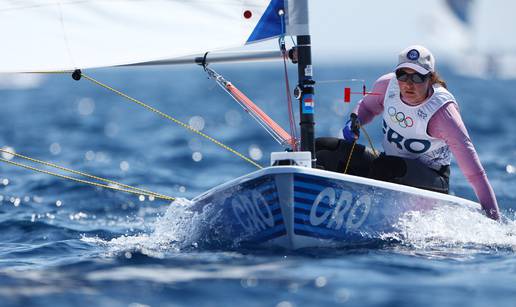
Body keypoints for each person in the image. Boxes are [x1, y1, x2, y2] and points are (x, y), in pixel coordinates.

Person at [315, 45, 500, 221]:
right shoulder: (387, 86)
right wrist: (355, 120)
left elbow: (475, 174)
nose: (408, 84)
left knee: (385, 167)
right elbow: (367, 107)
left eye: (417, 77)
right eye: (402, 75)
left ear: (430, 78)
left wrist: (494, 221)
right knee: (323, 148)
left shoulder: (444, 114)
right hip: (388, 169)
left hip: (432, 181)